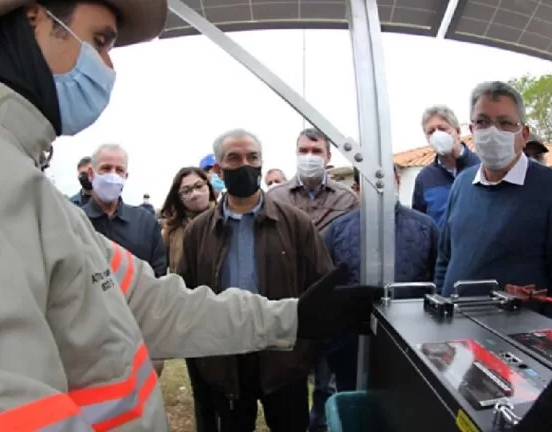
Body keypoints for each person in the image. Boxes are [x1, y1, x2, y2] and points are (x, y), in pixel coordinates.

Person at [0, 2, 382, 430]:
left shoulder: (25, 186)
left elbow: (154, 304)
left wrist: (291, 317)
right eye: (101, 41)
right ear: (37, 19)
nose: (108, 67)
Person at [178, 129, 334, 432]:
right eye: (234, 158)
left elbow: (320, 285)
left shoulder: (295, 223)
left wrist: (305, 351)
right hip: (226, 358)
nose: (245, 164)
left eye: (253, 157)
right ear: (219, 170)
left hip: (283, 359)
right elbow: (187, 293)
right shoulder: (199, 232)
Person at [435, 81, 552, 325]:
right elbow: (445, 258)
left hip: (517, 343)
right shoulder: (461, 184)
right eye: (483, 121)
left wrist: (547, 342)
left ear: (524, 134)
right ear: (472, 130)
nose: (493, 132)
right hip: (456, 334)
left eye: (505, 123)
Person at [267, 127, 358, 432]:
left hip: (328, 303)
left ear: (328, 157)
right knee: (287, 379)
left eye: (316, 151)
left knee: (326, 382)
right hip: (286, 300)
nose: (309, 157)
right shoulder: (276, 197)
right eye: (303, 150)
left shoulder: (346, 198)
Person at [324, 166, 438, 391]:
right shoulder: (337, 231)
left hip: (412, 338)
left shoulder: (425, 227)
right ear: (357, 189)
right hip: (351, 343)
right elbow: (328, 287)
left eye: (387, 178)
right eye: (370, 181)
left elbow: (438, 279)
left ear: (397, 181)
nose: (380, 186)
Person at [161, 166, 220, 432]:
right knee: (202, 388)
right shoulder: (171, 232)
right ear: (178, 196)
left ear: (209, 187)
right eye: (187, 190)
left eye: (199, 186)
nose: (195, 193)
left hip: (223, 313)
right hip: (190, 317)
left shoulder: (225, 220)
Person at [82, 143, 168, 278]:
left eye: (119, 170)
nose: (113, 175)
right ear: (91, 174)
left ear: (125, 176)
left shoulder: (145, 222)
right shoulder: (76, 221)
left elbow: (158, 272)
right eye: (106, 168)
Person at [412, 104, 480, 227]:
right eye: (431, 132)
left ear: (458, 131)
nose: (437, 135)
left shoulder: (482, 168)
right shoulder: (424, 178)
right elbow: (419, 226)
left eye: (442, 128)